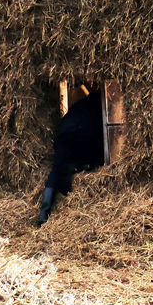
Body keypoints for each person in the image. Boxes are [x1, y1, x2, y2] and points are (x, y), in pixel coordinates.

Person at [38, 89, 105, 225]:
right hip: (82, 137)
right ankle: (76, 172)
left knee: (56, 170)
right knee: (94, 158)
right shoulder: (99, 107)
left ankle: (43, 214)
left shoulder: (78, 106)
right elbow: (102, 133)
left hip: (63, 138)